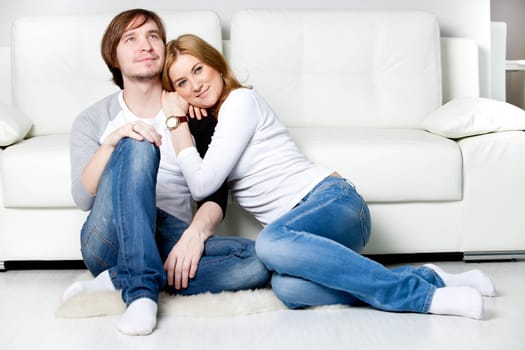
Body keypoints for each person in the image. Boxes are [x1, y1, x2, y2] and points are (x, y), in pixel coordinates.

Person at [160, 33, 496, 320]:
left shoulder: (241, 101)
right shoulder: (212, 129)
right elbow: (204, 184)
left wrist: (175, 123)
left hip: (331, 202)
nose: (196, 84)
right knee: (289, 289)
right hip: (305, 237)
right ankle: (427, 277)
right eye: (182, 83)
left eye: (198, 69)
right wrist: (188, 124)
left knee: (269, 243)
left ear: (216, 64)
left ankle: (422, 298)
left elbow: (202, 183)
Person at [61, 10, 270, 336]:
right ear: (113, 57)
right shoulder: (93, 119)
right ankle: (142, 293)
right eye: (131, 38)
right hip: (107, 241)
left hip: (168, 239)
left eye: (153, 36)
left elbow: (215, 195)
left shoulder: (192, 111)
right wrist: (112, 143)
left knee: (257, 261)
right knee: (138, 142)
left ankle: (117, 279)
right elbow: (82, 197)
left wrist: (194, 235)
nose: (145, 45)